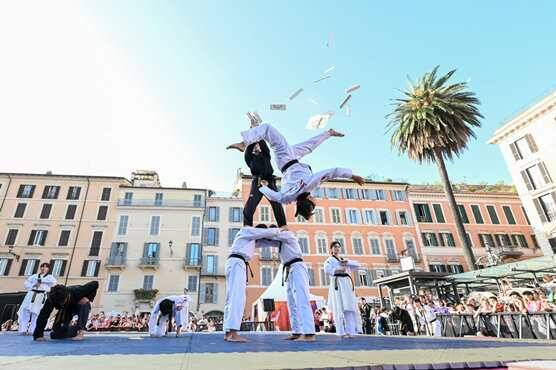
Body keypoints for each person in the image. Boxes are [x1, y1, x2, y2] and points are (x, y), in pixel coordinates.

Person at [227, 121, 364, 220]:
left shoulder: (310, 185)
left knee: (268, 128)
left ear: (309, 198)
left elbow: (332, 172)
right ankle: (329, 133)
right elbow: (275, 197)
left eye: (314, 200)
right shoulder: (288, 198)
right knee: (309, 147)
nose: (314, 198)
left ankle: (244, 143)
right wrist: (263, 187)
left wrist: (353, 176)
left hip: (286, 157)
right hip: (288, 161)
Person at [223, 225, 284, 342]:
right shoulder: (247, 231)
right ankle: (233, 333)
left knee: (231, 298)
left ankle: (228, 332)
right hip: (237, 263)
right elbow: (267, 234)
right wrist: (280, 230)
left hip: (234, 263)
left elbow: (267, 243)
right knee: (237, 297)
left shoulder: (251, 240)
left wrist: (278, 240)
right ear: (258, 231)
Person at [271, 226, 316, 341]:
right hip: (289, 270)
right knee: (291, 302)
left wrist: (262, 232)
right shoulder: (280, 242)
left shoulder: (288, 235)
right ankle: (296, 331)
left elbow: (271, 235)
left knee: (302, 298)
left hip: (297, 267)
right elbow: (266, 241)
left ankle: (309, 333)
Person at [33, 281, 99, 341]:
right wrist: (38, 335)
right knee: (55, 335)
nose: (61, 303)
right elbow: (43, 315)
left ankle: (81, 332)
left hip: (78, 304)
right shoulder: (51, 298)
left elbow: (95, 283)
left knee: (84, 304)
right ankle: (73, 330)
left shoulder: (77, 291)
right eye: (59, 303)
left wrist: (88, 298)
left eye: (62, 301)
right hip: (65, 309)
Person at [243, 140, 287, 227]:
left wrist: (257, 133)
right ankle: (247, 226)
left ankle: (283, 225)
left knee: (276, 203)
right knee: (250, 204)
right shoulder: (249, 158)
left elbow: (264, 145)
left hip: (269, 180)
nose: (256, 147)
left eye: (257, 146)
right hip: (257, 181)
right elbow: (248, 150)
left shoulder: (266, 154)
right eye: (254, 146)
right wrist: (252, 139)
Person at [324, 241, 361, 338]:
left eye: (338, 247)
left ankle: (351, 331)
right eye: (335, 247)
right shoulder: (329, 260)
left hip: (346, 283)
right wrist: (339, 270)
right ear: (331, 249)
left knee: (349, 307)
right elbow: (327, 270)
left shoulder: (343, 259)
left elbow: (357, 265)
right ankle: (341, 332)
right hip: (338, 283)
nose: (337, 248)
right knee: (338, 307)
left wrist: (346, 262)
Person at [18, 263, 57, 335]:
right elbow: (26, 283)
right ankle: (22, 330)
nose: (43, 268)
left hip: (41, 295)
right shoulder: (34, 276)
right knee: (26, 311)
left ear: (48, 269)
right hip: (31, 294)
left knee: (36, 313)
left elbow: (53, 284)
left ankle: (32, 330)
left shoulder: (50, 277)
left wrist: (41, 281)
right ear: (40, 268)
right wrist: (34, 284)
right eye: (42, 266)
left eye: (46, 267)